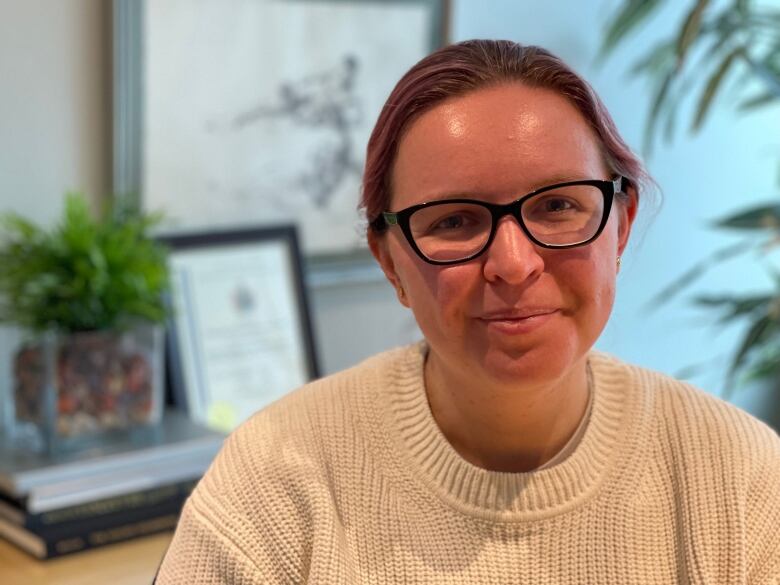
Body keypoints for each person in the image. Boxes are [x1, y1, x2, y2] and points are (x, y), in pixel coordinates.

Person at [156, 40, 780, 584]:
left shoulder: (739, 477)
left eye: (559, 206)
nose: (514, 263)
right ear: (391, 261)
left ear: (620, 227)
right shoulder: (276, 480)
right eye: (454, 220)